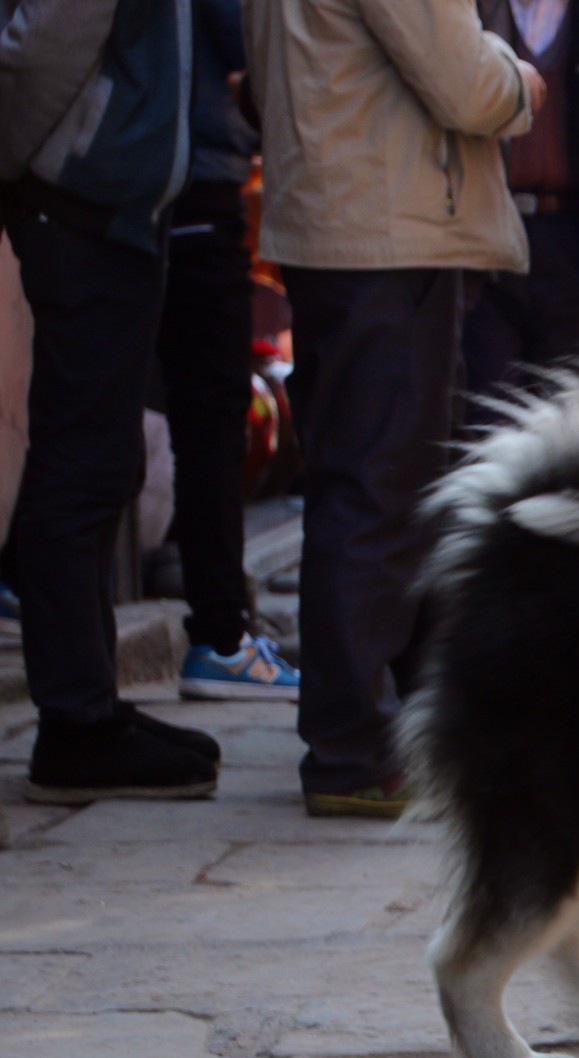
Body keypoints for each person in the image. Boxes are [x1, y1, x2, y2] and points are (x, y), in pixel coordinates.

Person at [245, 0, 542, 816]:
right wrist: (521, 81)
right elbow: (466, 84)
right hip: (392, 227)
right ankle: (356, 748)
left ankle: (387, 730)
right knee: (382, 492)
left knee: (372, 486)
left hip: (345, 220)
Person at [1, 0, 226, 803]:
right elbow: (40, 49)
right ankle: (75, 725)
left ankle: (91, 707)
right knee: (81, 466)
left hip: (108, 210)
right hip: (79, 209)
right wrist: (42, 166)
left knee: (100, 461)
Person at [162, 0, 303, 703]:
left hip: (143, 177)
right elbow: (244, 38)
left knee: (97, 412)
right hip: (194, 176)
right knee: (212, 421)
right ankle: (219, 637)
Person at [463, 0, 579, 423]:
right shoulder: (470, 13)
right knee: (487, 418)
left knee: (571, 417)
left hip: (571, 238)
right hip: (487, 231)